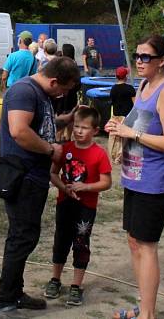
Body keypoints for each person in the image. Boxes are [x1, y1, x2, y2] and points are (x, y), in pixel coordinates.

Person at [0, 57, 80, 317]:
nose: (63, 94)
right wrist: (50, 149)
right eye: (63, 89)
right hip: (23, 177)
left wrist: (63, 120)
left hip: (33, 177)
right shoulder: (23, 91)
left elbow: (40, 122)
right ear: (54, 81)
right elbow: (19, 130)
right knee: (22, 237)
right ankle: (5, 301)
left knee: (26, 235)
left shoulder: (39, 94)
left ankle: (15, 292)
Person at [104, 34, 164, 319]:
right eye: (137, 55)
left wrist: (132, 133)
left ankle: (148, 314)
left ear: (161, 61)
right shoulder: (145, 84)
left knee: (147, 245)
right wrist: (120, 124)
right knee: (134, 241)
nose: (139, 61)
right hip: (134, 175)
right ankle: (143, 306)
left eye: (146, 57)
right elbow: (143, 123)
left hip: (155, 180)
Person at [44, 106, 112, 307]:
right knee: (61, 240)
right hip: (65, 203)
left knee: (81, 243)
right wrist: (64, 188)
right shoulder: (65, 149)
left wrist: (86, 186)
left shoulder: (99, 154)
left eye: (84, 128)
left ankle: (76, 285)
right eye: (77, 127)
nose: (79, 131)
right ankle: (55, 279)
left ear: (95, 131)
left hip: (86, 207)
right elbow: (53, 173)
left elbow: (106, 182)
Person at [108, 66, 136, 164]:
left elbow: (112, 102)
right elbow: (135, 104)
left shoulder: (113, 88)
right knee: (125, 137)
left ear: (116, 76)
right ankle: (121, 156)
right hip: (126, 116)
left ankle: (114, 156)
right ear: (126, 77)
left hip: (116, 116)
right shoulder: (130, 89)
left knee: (115, 137)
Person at [55, 43, 80, 142]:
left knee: (61, 115)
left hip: (64, 95)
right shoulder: (75, 64)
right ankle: (68, 137)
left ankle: (58, 138)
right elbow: (78, 83)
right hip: (72, 96)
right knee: (70, 116)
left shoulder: (64, 65)